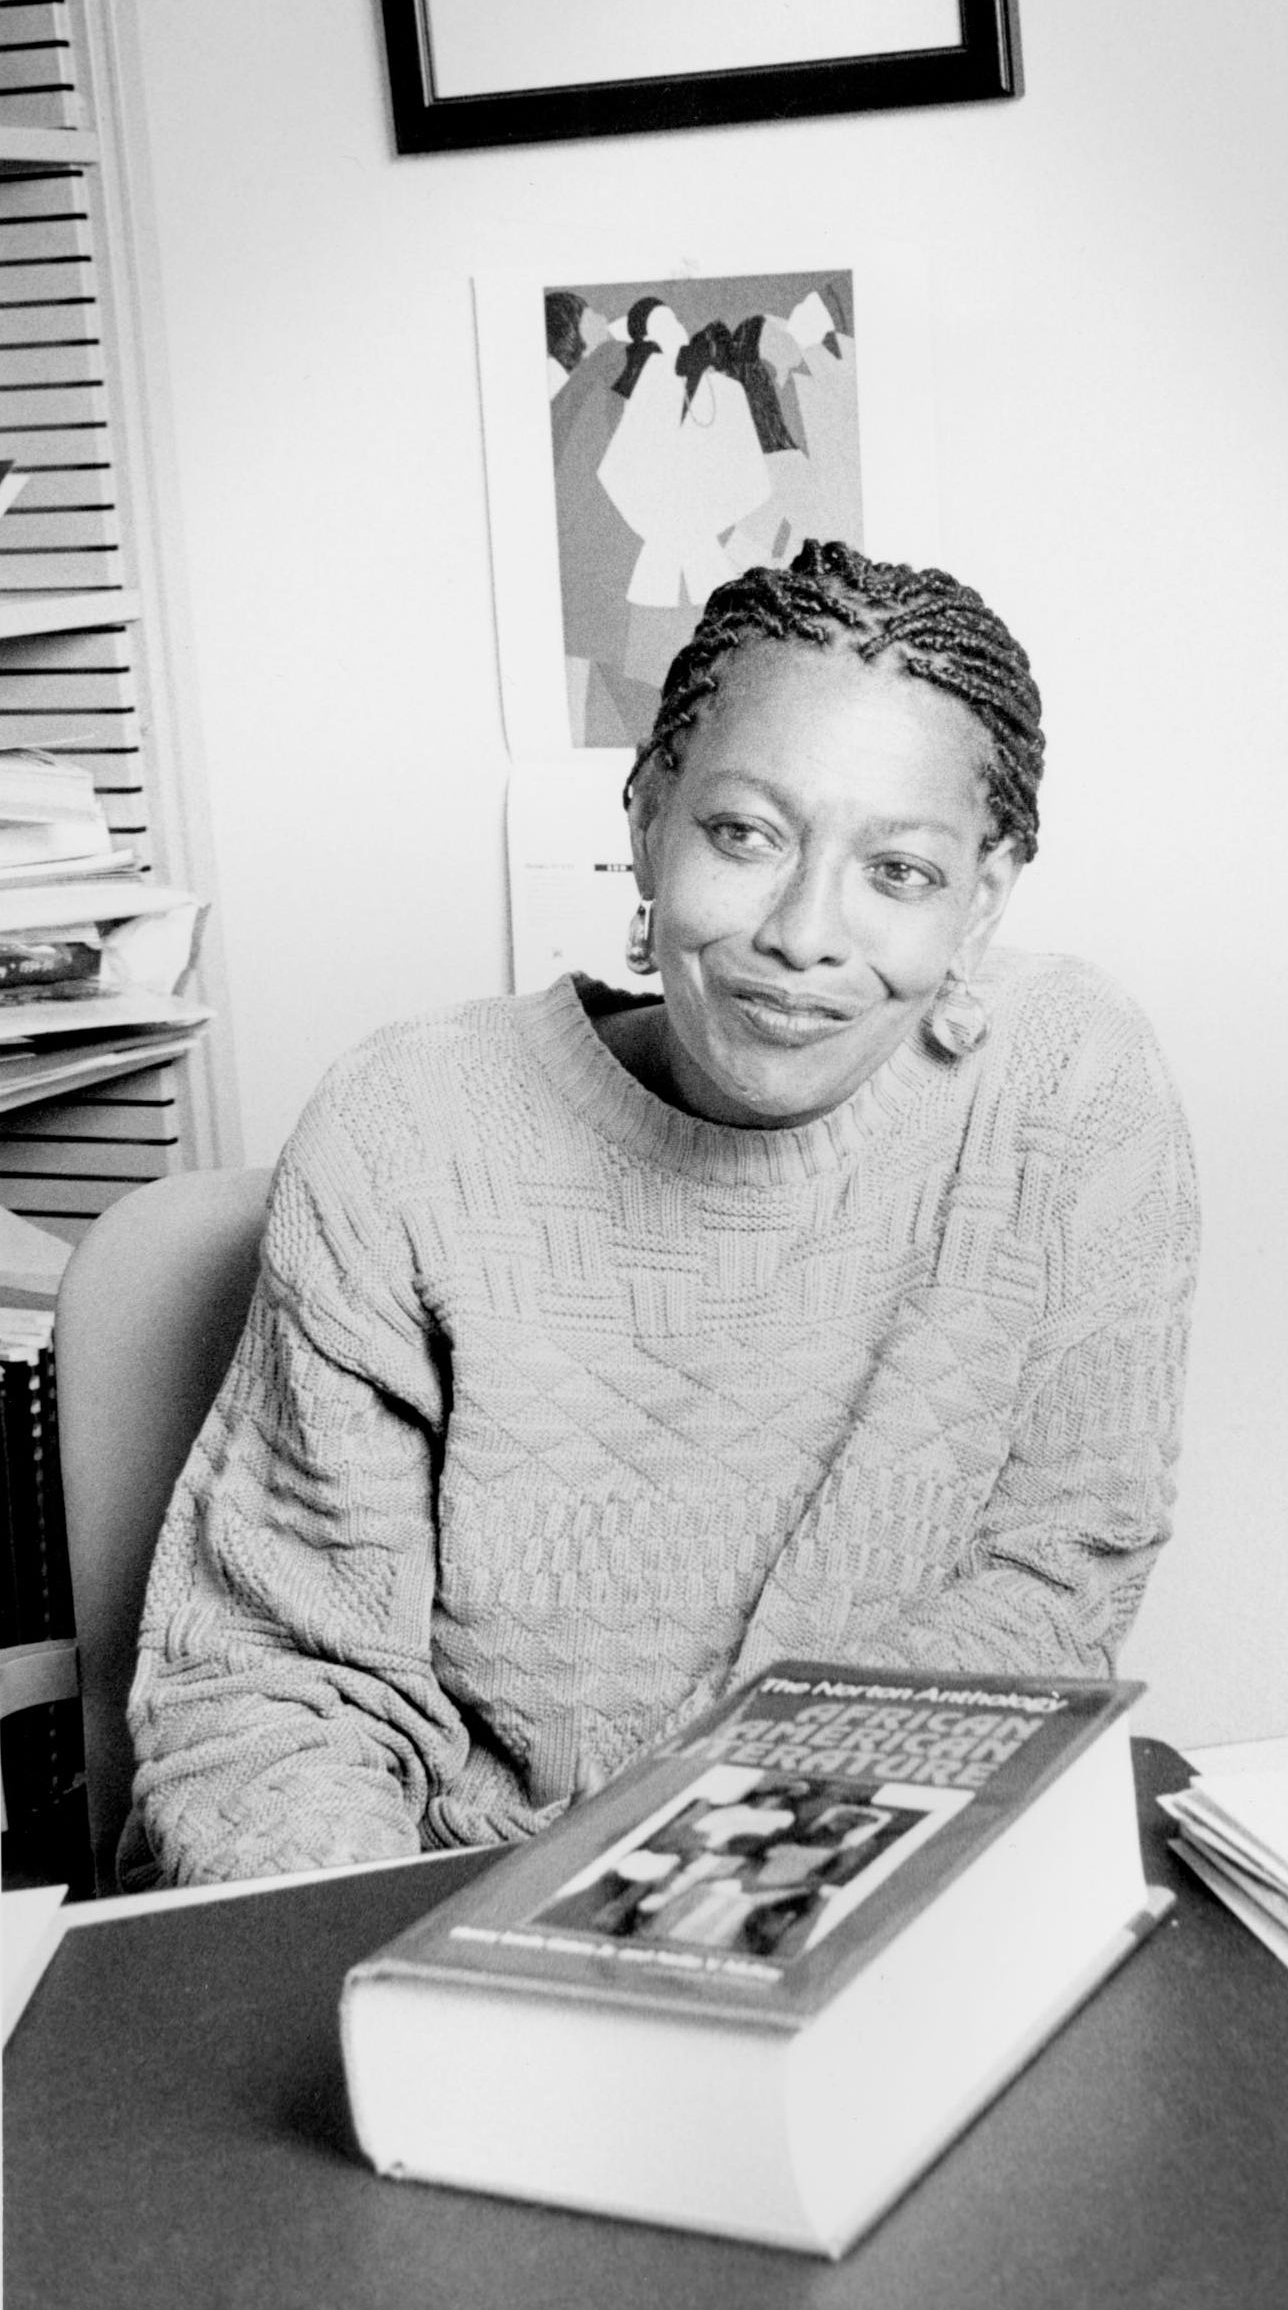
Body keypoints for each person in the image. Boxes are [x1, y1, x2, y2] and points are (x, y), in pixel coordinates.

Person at [125, 540, 1199, 1886]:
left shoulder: (1068, 1089)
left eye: (901, 872)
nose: (805, 932)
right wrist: (394, 1987)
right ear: (646, 821)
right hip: (459, 1890)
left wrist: (725, 1888)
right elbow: (279, 1689)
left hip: (863, 1862)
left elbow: (1058, 1578)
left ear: (983, 898)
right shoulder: (407, 1131)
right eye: (744, 835)